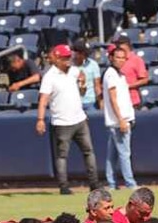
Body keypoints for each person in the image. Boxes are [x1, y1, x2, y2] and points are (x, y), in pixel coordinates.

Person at [36, 44, 100, 196]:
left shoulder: (74, 71)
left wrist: (83, 83)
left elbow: (82, 92)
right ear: (57, 58)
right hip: (61, 122)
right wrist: (40, 119)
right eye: (64, 57)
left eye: (68, 57)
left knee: (89, 152)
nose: (68, 60)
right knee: (62, 156)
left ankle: (94, 184)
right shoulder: (49, 76)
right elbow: (43, 99)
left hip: (79, 118)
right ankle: (63, 186)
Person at [103, 47, 138, 191]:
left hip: (121, 119)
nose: (120, 60)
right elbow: (112, 99)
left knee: (113, 155)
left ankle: (111, 183)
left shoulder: (120, 75)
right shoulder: (111, 74)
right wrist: (121, 119)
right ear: (111, 58)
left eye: (123, 58)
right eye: (117, 57)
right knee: (125, 153)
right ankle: (130, 183)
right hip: (119, 121)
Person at [116, 37, 149, 109]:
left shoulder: (136, 60)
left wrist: (127, 86)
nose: (117, 46)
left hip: (133, 101)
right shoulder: (117, 60)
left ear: (126, 45)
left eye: (120, 44)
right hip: (118, 100)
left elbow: (144, 80)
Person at [72, 39, 102, 111]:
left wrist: (101, 103)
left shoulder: (93, 64)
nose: (86, 56)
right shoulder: (69, 66)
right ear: (77, 53)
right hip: (74, 103)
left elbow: (97, 86)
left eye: (87, 54)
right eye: (84, 53)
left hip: (91, 103)